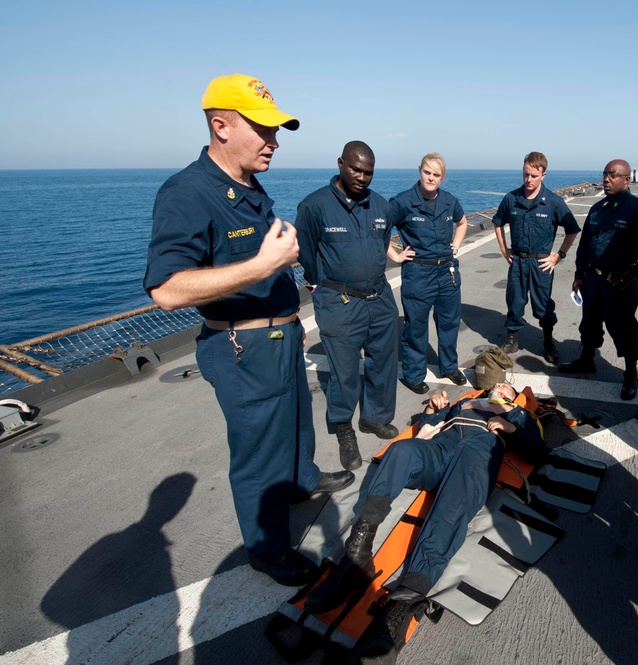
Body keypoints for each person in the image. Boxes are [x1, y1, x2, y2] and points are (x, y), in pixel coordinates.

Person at [143, 74, 354, 586]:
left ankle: (302, 481)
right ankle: (267, 549)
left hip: (278, 335)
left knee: (297, 421)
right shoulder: (187, 192)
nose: (274, 142)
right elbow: (166, 289)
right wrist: (263, 267)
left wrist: (285, 311)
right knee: (260, 452)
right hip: (241, 345)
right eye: (262, 129)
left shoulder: (245, 185)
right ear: (220, 126)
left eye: (276, 131)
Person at [305, 381, 546, 662]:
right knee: (402, 451)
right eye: (496, 382)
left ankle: (401, 609)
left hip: (478, 453)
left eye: (506, 385)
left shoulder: (518, 413)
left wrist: (513, 427)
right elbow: (428, 429)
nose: (499, 384)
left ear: (514, 397)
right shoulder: (466, 403)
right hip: (442, 447)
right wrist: (433, 411)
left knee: (451, 508)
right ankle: (357, 557)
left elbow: (538, 451)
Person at [295, 141, 400, 473]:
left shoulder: (381, 207)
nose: (362, 177)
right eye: (356, 169)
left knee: (384, 362)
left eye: (368, 172)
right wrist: (321, 284)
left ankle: (374, 418)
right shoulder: (315, 206)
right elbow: (304, 252)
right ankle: (344, 427)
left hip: (379, 298)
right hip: (339, 301)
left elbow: (382, 246)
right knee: (343, 371)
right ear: (340, 163)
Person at [559, 159, 638, 400]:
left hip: (620, 283)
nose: (607, 179)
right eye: (605, 175)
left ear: (626, 179)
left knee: (624, 329)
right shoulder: (598, 208)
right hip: (593, 279)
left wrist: (635, 272)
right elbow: (585, 243)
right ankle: (586, 360)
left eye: (613, 175)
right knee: (589, 323)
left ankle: (630, 373)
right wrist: (580, 275)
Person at [388, 153, 469, 395]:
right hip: (418, 273)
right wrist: (395, 256)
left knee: (449, 323)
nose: (431, 177)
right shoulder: (402, 202)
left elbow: (462, 222)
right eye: (427, 172)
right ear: (419, 170)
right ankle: (413, 375)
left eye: (436, 174)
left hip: (447, 271)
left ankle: (449, 366)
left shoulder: (449, 201)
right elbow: (378, 229)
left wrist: (456, 244)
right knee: (416, 327)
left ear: (442, 177)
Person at [493, 152, 580, 364]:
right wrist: (505, 250)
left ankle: (548, 341)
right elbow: (497, 222)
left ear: (543, 175)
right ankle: (512, 338)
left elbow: (572, 229)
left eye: (533, 175)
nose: (528, 180)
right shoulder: (511, 199)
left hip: (541, 263)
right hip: (518, 261)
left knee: (543, 306)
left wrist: (558, 256)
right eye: (525, 174)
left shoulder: (553, 202)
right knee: (514, 301)